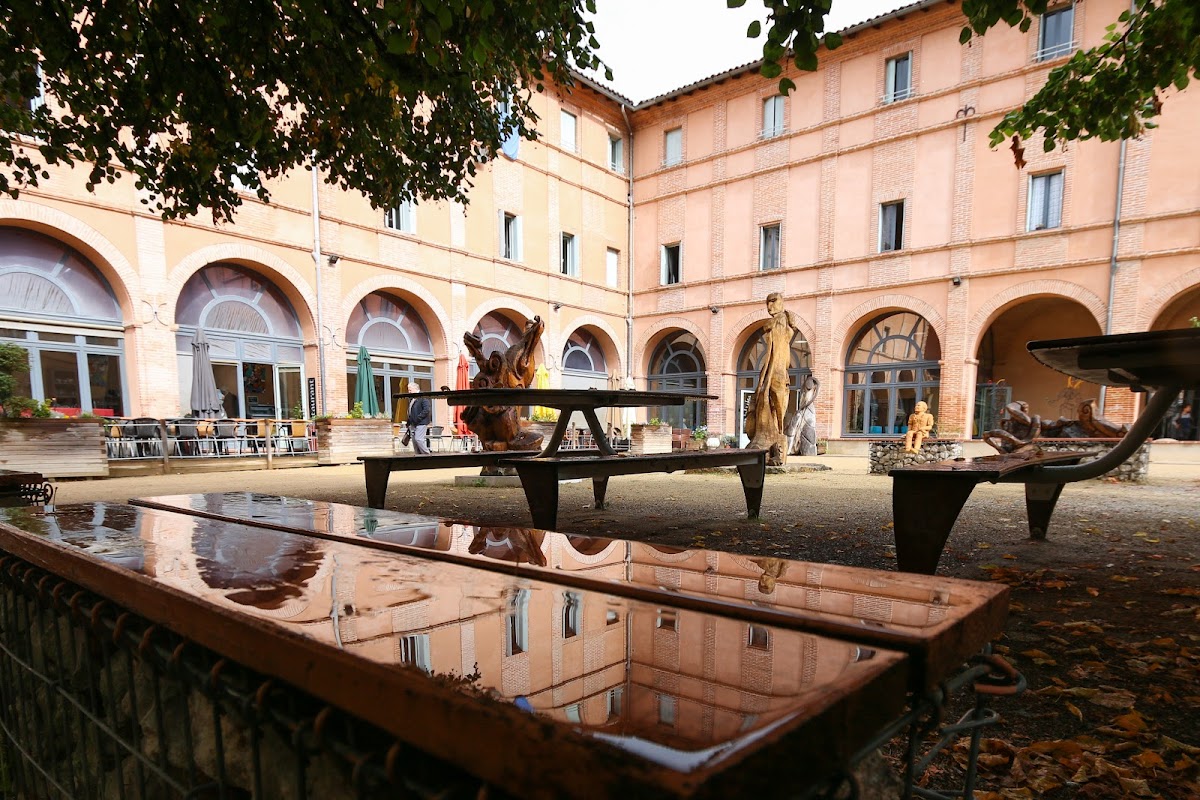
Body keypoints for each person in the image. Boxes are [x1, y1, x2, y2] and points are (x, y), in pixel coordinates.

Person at [406, 384, 432, 455]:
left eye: (410, 390)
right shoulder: (412, 398)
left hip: (421, 423)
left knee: (418, 439)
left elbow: (426, 410)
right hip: (413, 423)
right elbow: (411, 411)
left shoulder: (423, 397)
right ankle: (418, 456)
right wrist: (408, 422)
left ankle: (427, 454)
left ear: (415, 389)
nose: (409, 392)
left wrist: (418, 418)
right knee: (414, 441)